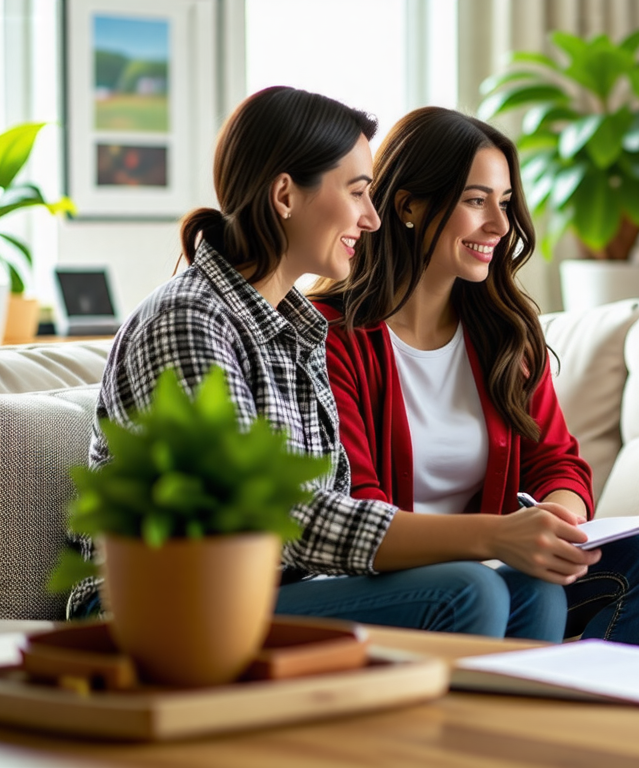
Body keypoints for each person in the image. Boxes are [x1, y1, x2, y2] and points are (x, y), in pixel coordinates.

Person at [69, 87, 557, 639]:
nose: (372, 219)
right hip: (170, 601)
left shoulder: (295, 329)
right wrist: (490, 536)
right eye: (356, 193)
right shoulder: (190, 320)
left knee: (530, 589)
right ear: (285, 195)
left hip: (277, 588)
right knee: (470, 590)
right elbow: (267, 519)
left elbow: (330, 502)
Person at [308, 106, 639, 647]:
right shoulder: (331, 336)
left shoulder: (504, 335)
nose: (500, 226)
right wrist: (502, 539)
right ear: (408, 205)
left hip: (491, 567)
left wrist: (557, 517)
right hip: (390, 582)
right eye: (476, 201)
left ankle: (612, 718)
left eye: (504, 204)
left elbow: (558, 462)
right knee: (522, 589)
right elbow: (359, 508)